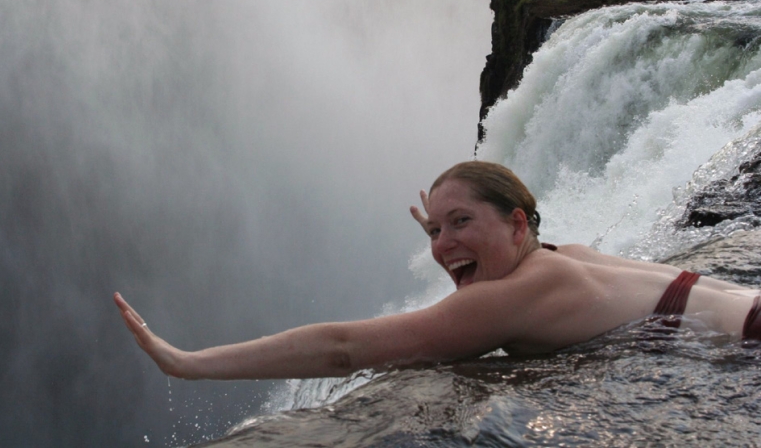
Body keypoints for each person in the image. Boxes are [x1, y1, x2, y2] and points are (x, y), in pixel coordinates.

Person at [114, 161, 761, 380]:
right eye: (433, 230)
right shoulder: (565, 258)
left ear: (515, 225)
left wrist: (188, 361)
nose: (442, 244)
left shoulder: (509, 298)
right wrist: (456, 235)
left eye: (460, 222)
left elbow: (344, 350)